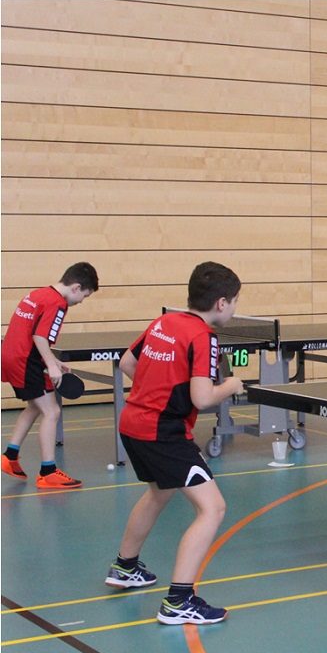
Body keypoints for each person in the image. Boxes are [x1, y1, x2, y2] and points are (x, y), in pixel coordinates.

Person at [105, 262, 245, 625]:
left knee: (159, 491)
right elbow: (202, 397)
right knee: (212, 509)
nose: (234, 308)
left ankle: (125, 567)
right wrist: (231, 385)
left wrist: (158, 387)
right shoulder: (204, 337)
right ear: (222, 303)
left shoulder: (163, 322)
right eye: (234, 301)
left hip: (133, 423)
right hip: (163, 433)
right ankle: (179, 600)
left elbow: (127, 363)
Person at [1, 262, 100, 489]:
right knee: (52, 411)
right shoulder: (57, 303)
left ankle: (9, 456)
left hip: (12, 354)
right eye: (84, 296)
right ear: (76, 288)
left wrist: (52, 361)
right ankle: (48, 472)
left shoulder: (39, 294)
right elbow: (39, 336)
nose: (81, 301)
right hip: (25, 360)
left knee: (35, 406)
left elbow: (29, 332)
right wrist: (51, 365)